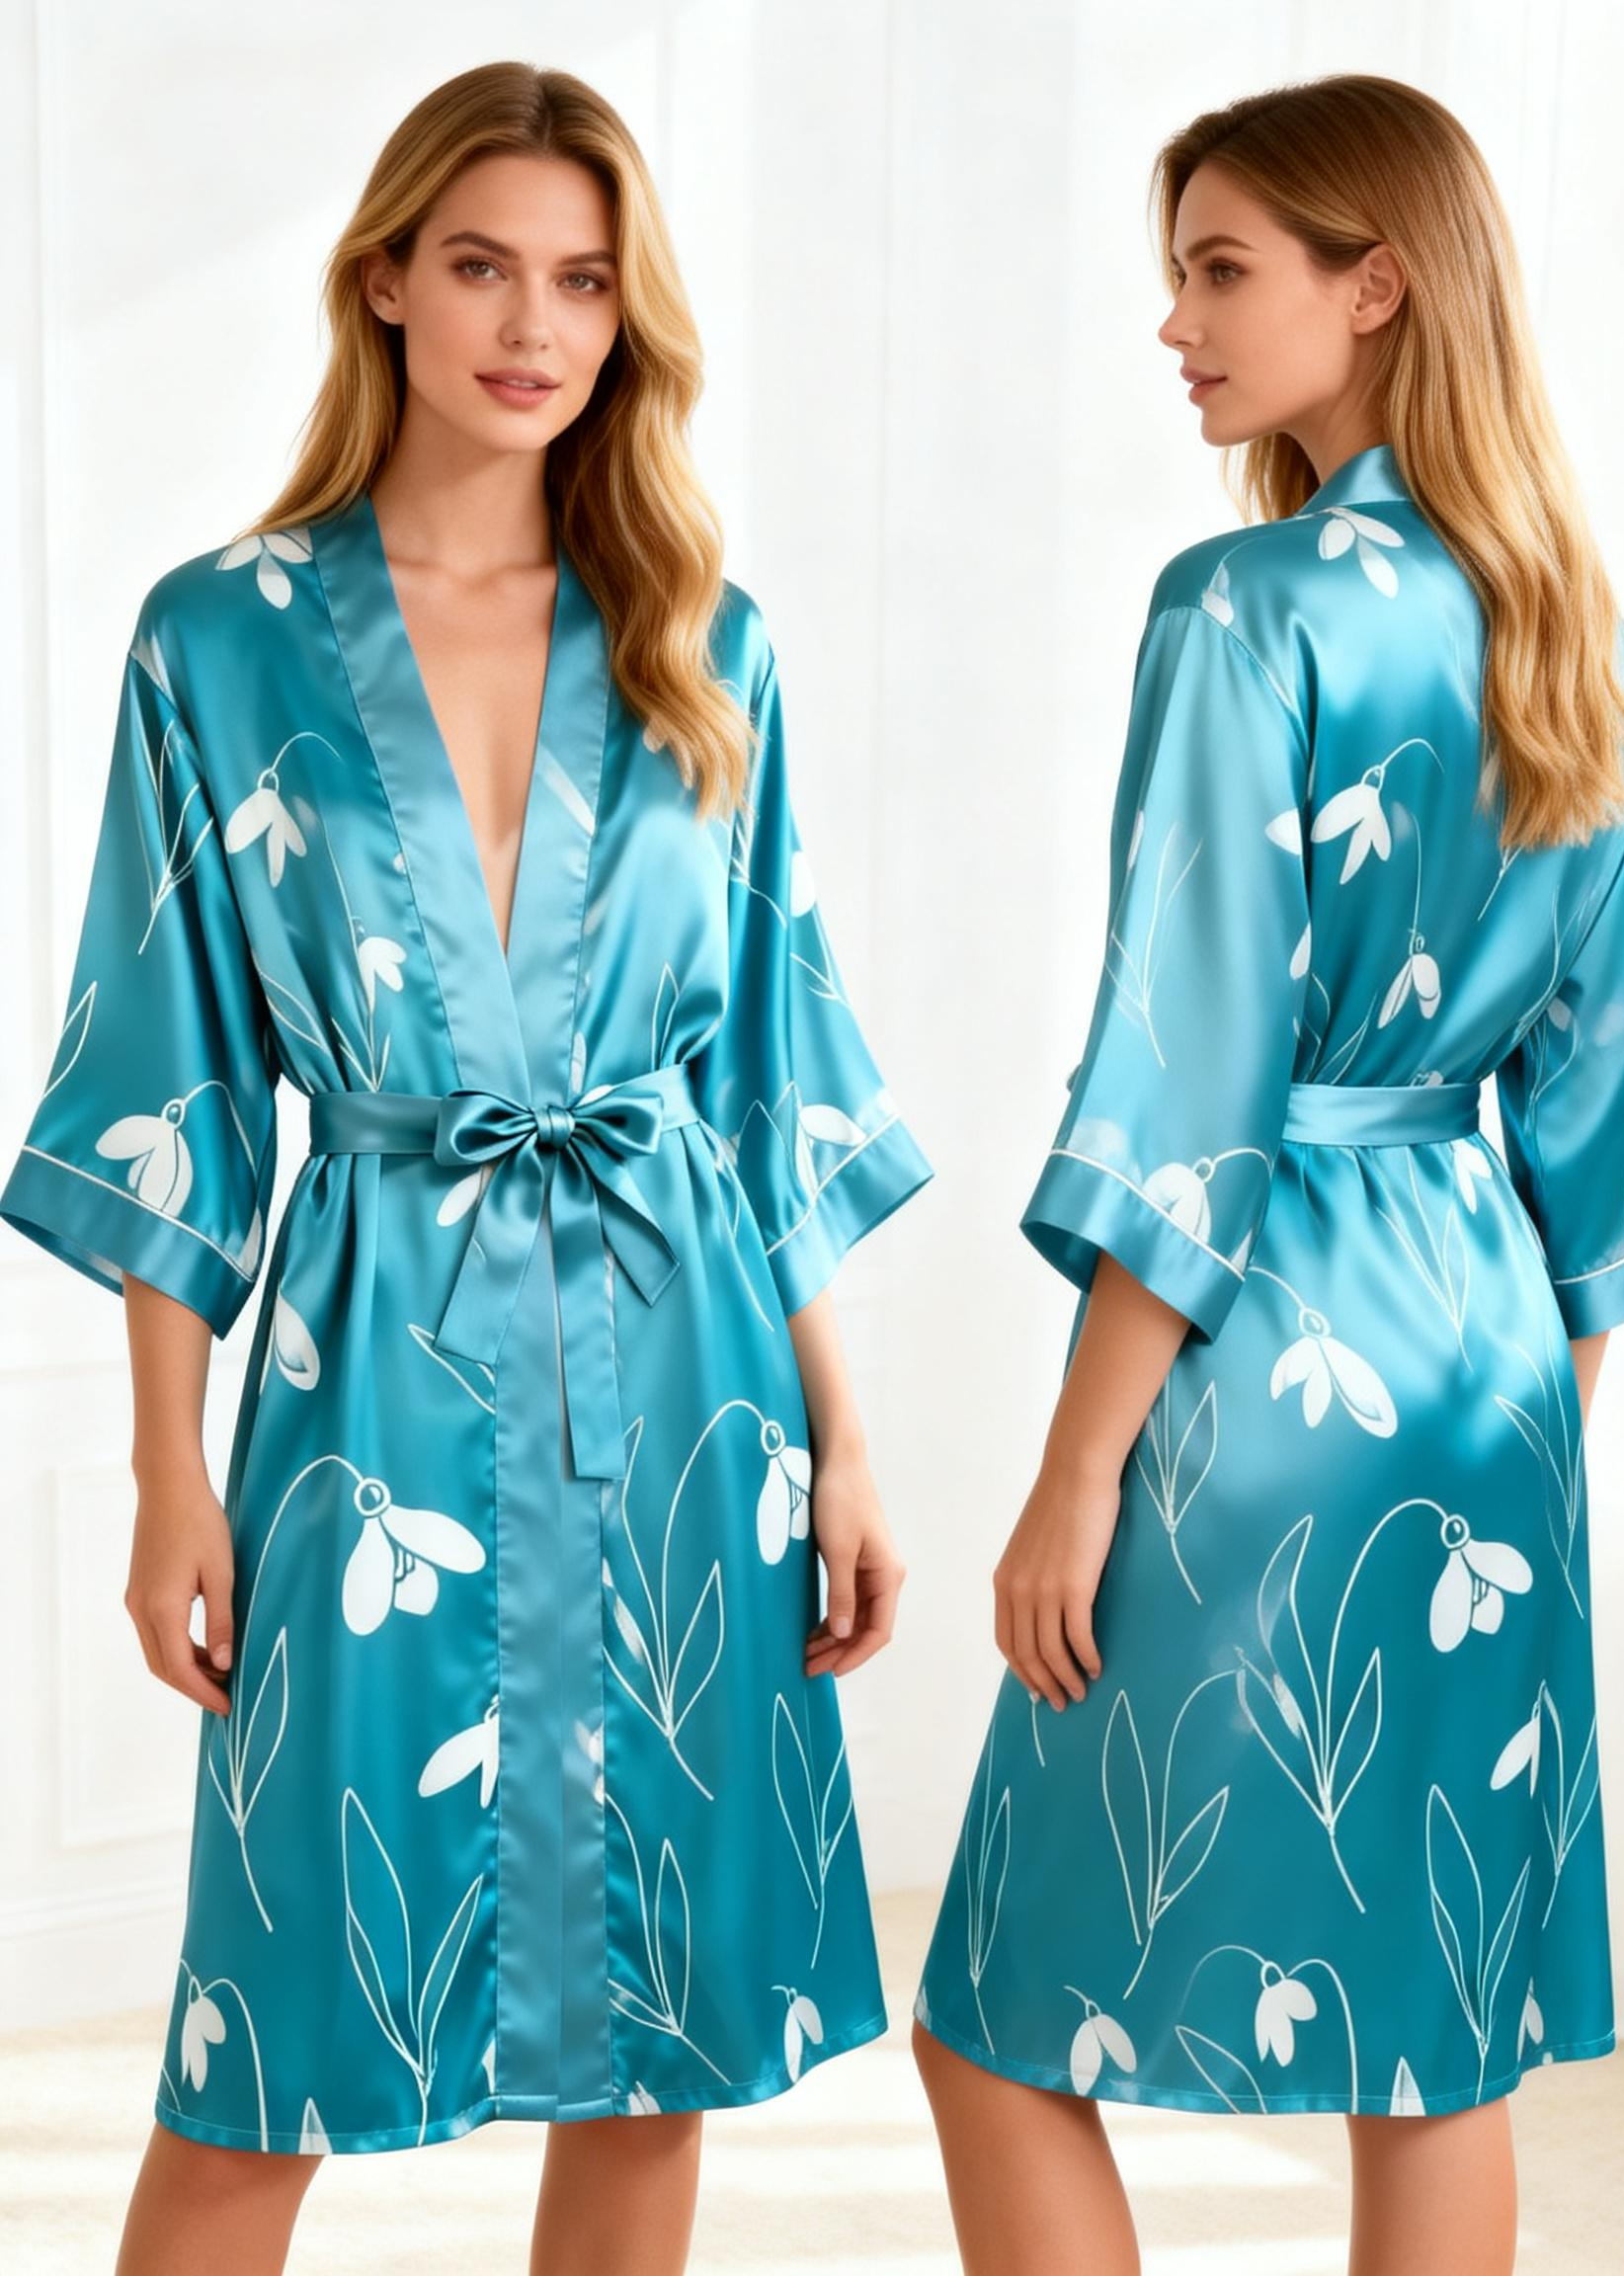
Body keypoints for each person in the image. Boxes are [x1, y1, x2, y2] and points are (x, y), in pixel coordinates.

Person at [0, 59, 931, 2276]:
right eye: (486, 266)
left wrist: (848, 1437)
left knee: (659, 2045)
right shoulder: (220, 636)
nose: (535, 325)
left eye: (587, 283)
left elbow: (768, 1078)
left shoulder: (703, 636)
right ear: (388, 284)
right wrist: (164, 1473)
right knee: (270, 2040)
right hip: (372, 1387)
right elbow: (175, 1082)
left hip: (688, 1377)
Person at [911, 71, 1624, 2276]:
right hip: (1491, 1372)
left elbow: (1195, 1083)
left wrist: (1078, 1474)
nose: (1176, 321)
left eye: (1221, 269)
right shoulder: (1575, 627)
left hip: (1262, 1366)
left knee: (994, 2025)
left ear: (1378, 286)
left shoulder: (1245, 609)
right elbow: (1605, 1127)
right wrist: (1524, 1451)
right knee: (1426, 2048)